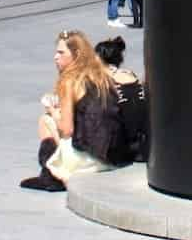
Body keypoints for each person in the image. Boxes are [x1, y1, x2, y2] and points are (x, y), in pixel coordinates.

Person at [20, 29, 125, 191]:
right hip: (108, 156)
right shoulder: (100, 75)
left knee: (45, 120)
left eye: (61, 53)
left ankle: (50, 176)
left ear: (75, 54)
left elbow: (67, 129)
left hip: (85, 159)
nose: (56, 57)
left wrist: (53, 111)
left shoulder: (69, 80)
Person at [94, 35, 149, 161]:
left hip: (121, 148)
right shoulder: (130, 74)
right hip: (144, 143)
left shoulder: (104, 81)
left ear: (98, 59)